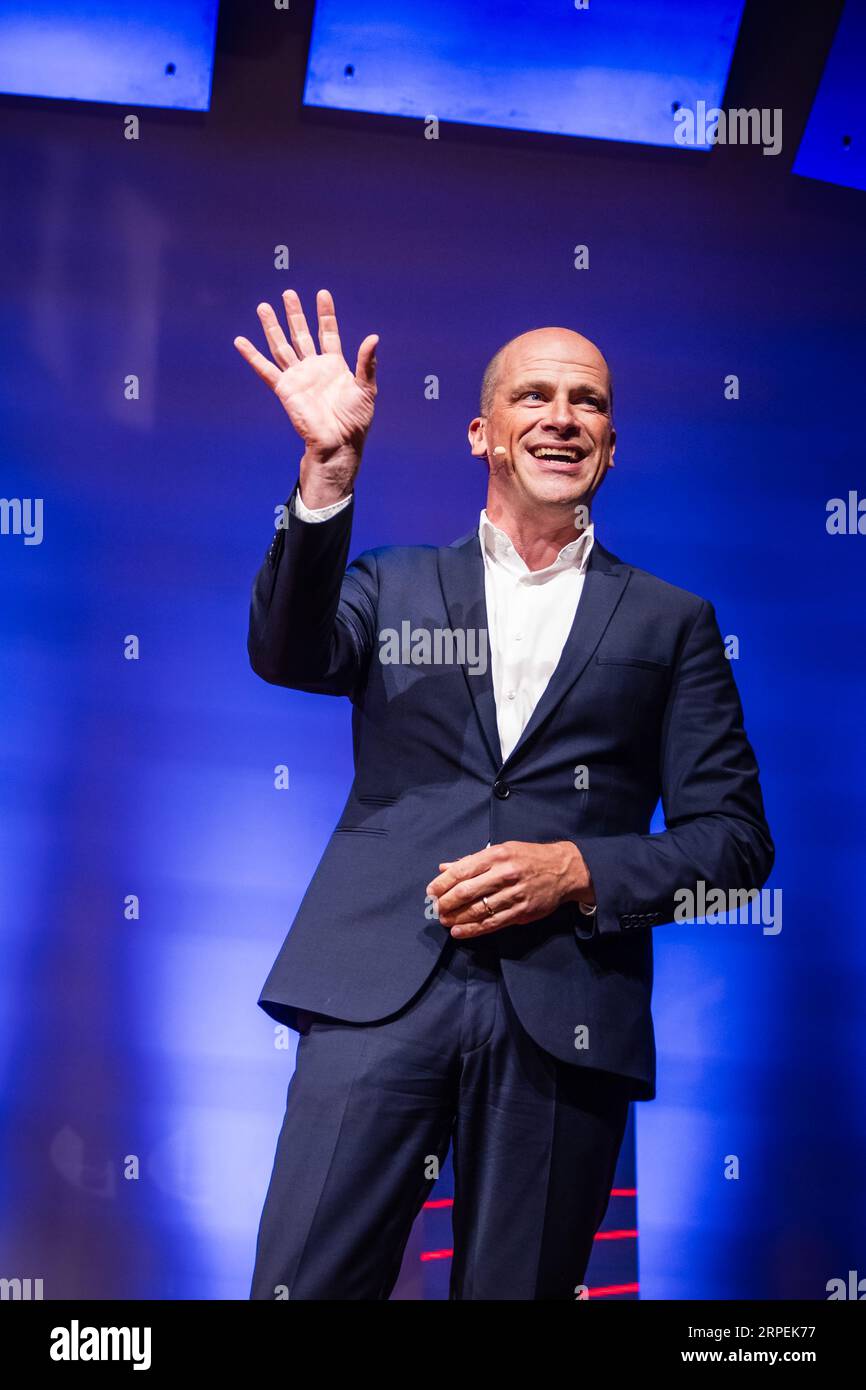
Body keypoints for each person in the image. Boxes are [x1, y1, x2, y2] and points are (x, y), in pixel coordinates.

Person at [234, 289, 773, 1300]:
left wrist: (577, 870)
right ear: (483, 432)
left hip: (563, 1013)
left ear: (610, 443)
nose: (561, 416)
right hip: (372, 992)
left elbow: (734, 844)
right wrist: (327, 474)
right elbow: (285, 651)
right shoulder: (390, 582)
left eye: (587, 401)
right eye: (533, 395)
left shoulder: (671, 622)